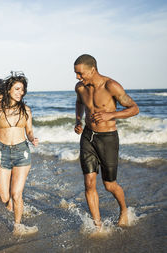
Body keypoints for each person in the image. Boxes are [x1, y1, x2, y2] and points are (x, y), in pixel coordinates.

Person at [73, 54, 139, 229]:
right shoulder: (80, 87)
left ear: (92, 69)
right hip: (88, 137)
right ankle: (98, 225)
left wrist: (111, 114)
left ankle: (124, 210)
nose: (78, 77)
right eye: (76, 73)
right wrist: (78, 120)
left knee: (109, 185)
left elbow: (134, 109)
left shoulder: (111, 86)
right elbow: (79, 102)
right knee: (89, 182)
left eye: (80, 73)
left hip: (107, 138)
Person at [0, 72, 39, 236]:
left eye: (22, 90)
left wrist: (32, 138)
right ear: (9, 90)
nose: (20, 92)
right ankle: (15, 203)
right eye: (17, 89)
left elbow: (29, 130)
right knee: (4, 197)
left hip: (21, 152)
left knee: (16, 194)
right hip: (2, 153)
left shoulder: (26, 110)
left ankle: (17, 225)